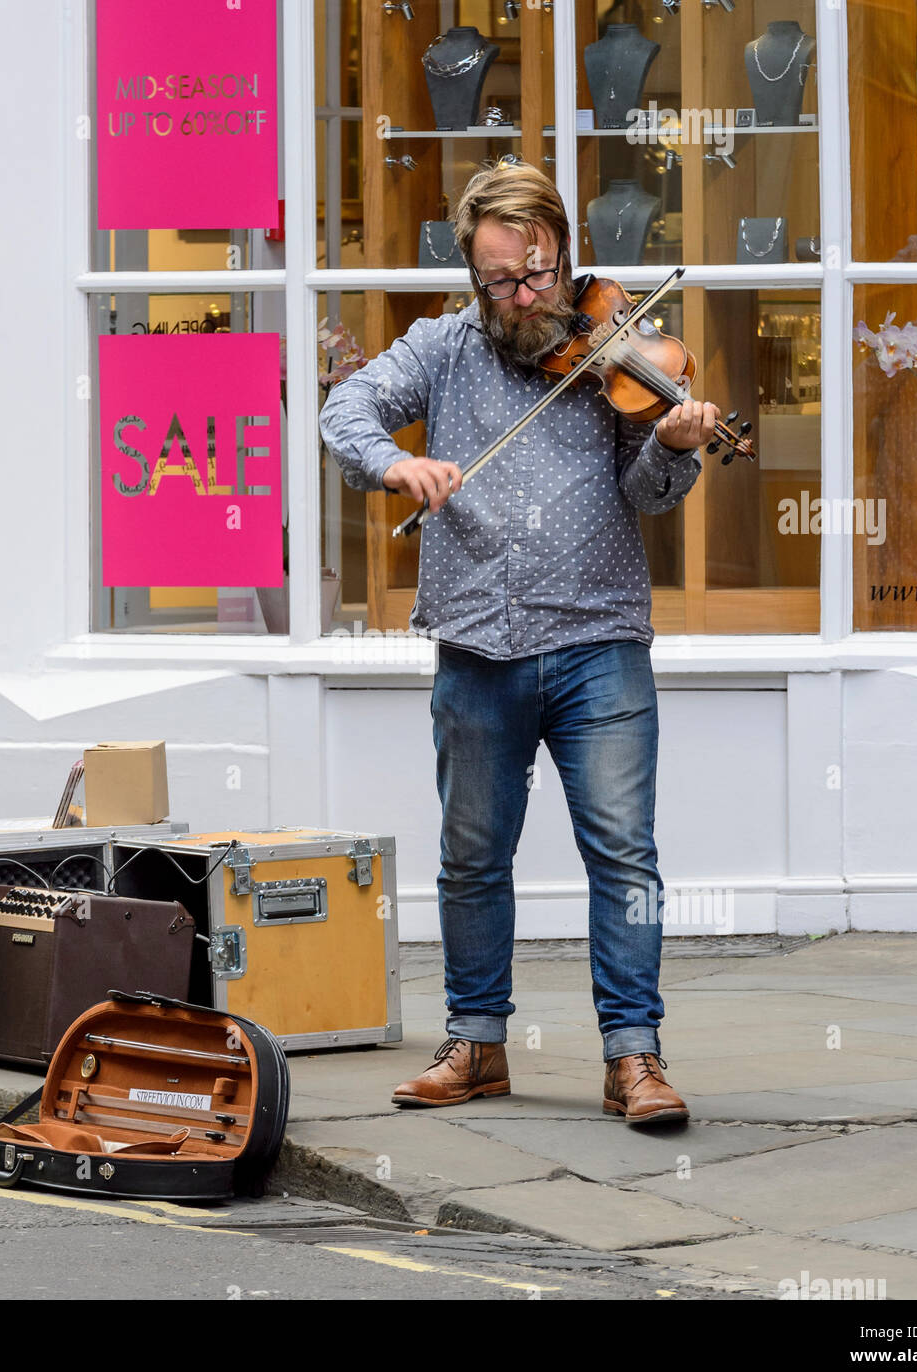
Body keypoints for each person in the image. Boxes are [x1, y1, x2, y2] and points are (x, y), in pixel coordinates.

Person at [318, 159, 720, 1126]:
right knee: (471, 855)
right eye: (503, 280)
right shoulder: (443, 347)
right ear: (474, 277)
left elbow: (647, 498)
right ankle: (476, 1043)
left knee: (625, 858)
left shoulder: (615, 348)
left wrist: (673, 445)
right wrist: (396, 461)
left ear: (562, 253)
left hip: (599, 641)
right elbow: (345, 410)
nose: (528, 296)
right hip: (478, 643)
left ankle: (635, 1058)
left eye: (539, 272)